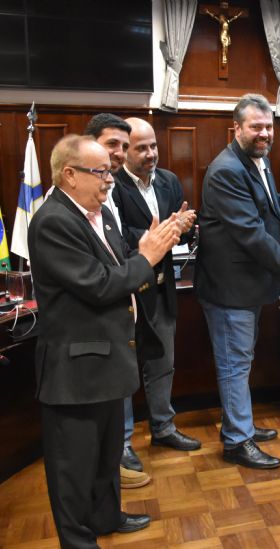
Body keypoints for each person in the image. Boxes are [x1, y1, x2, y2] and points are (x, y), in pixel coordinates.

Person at [29, 135, 180, 548]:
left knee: (105, 457)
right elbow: (99, 287)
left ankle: (106, 516)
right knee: (74, 468)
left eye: (110, 172)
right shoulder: (53, 221)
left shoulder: (101, 214)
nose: (109, 180)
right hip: (76, 370)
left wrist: (150, 247)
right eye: (100, 172)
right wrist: (147, 256)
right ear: (69, 175)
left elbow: (123, 265)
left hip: (111, 359)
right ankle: (79, 541)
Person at [194, 94, 280, 469]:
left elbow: (261, 206)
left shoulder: (256, 160)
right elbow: (250, 232)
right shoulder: (228, 169)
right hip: (231, 289)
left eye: (268, 127)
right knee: (234, 363)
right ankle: (236, 441)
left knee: (240, 361)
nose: (264, 133)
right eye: (255, 127)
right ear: (237, 128)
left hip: (246, 286)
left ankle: (238, 424)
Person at [112, 118, 200, 474]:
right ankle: (121, 443)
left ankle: (163, 427)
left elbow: (174, 228)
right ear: (124, 151)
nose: (150, 154)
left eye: (154, 147)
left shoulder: (168, 180)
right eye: (141, 148)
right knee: (124, 371)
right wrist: (163, 233)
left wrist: (183, 226)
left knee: (163, 363)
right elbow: (116, 234)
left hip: (162, 285)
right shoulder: (112, 182)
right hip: (127, 288)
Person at [82, 113, 151, 489]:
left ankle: (119, 455)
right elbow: (99, 278)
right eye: (113, 145)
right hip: (92, 329)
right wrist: (147, 255)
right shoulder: (59, 213)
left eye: (125, 147)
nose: (121, 154)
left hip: (120, 318)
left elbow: (120, 253)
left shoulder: (108, 200)